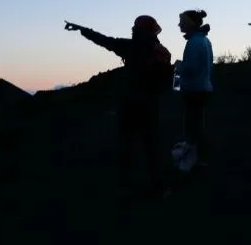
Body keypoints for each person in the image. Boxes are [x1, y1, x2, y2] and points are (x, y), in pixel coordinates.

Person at [64, 16, 174, 198]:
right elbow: (166, 80)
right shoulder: (160, 51)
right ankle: (159, 186)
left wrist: (82, 30)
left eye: (135, 26)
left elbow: (104, 40)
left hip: (130, 104)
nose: (132, 28)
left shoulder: (129, 46)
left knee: (126, 145)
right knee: (152, 146)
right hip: (150, 105)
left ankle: (125, 187)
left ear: (139, 29)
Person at [175, 9, 214, 167]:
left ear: (189, 24)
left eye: (182, 22)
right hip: (203, 88)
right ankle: (199, 159)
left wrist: (178, 68)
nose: (179, 24)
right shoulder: (205, 41)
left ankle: (193, 161)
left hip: (193, 90)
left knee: (192, 126)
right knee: (198, 124)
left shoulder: (194, 42)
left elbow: (190, 68)